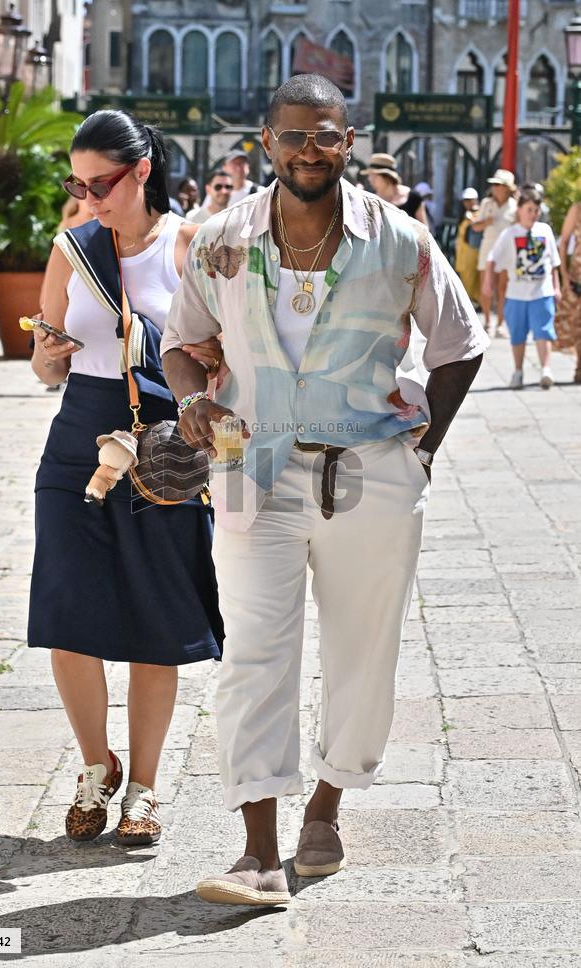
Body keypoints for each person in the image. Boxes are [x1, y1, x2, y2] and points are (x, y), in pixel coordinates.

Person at [162, 74, 488, 907]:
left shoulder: (401, 240)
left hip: (372, 473)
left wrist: (423, 451)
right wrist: (194, 398)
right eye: (294, 136)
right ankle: (258, 852)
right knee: (252, 655)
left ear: (348, 142)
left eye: (327, 135)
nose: (310, 150)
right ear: (265, 143)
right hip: (250, 467)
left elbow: (460, 345)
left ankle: (326, 808)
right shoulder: (218, 238)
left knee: (361, 652)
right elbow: (182, 341)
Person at [27, 110, 224, 847]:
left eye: (99, 183)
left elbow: (220, 353)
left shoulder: (189, 246)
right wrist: (50, 351)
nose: (87, 197)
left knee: (156, 615)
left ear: (140, 171)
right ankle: (93, 765)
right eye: (76, 183)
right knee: (65, 609)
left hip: (163, 443)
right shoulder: (71, 247)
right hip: (79, 434)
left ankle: (142, 787)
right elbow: (47, 367)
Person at [489, 188, 561, 390]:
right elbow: (492, 259)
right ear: (519, 210)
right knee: (518, 335)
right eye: (529, 209)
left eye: (536, 210)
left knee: (544, 332)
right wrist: (488, 282)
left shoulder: (545, 231)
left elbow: (554, 262)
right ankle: (518, 371)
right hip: (516, 295)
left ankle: (546, 369)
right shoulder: (509, 234)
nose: (533, 214)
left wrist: (556, 287)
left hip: (542, 292)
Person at [472, 168, 517, 336]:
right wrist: (486, 222)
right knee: (486, 287)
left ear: (507, 188)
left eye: (500, 184)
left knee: (503, 288)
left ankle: (500, 324)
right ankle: (487, 322)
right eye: (494, 184)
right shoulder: (486, 204)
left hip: (506, 252)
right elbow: (475, 227)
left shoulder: (515, 206)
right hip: (487, 248)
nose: (496, 187)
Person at [360, 153, 428, 225]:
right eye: (370, 175)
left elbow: (424, 231)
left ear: (388, 177)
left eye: (374, 175)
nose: (370, 179)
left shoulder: (414, 198)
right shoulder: (370, 200)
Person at [556, 198, 581, 382]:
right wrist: (564, 276)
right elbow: (563, 242)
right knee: (577, 324)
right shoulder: (577, 209)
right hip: (577, 277)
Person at [454, 187, 481, 307]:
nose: (468, 203)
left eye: (470, 200)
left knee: (471, 281)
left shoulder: (478, 215)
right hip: (463, 254)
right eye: (465, 200)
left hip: (473, 253)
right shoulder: (464, 215)